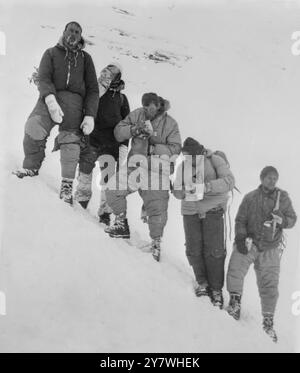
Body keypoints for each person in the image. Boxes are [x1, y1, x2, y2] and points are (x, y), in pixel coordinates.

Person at [13, 22, 99, 205]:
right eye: (70, 30)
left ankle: (67, 185)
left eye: (77, 32)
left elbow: (93, 89)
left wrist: (90, 114)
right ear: (64, 32)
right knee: (34, 126)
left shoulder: (86, 58)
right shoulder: (51, 53)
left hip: (76, 104)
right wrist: (50, 100)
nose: (73, 34)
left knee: (71, 141)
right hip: (51, 97)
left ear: (80, 36)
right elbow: (44, 78)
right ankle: (31, 167)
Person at [105, 92, 182, 262]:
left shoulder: (170, 123)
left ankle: (155, 243)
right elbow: (118, 132)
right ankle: (121, 224)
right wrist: (134, 129)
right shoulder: (137, 114)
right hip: (136, 165)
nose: (148, 111)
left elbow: (176, 148)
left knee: (157, 207)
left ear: (158, 106)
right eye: (146, 107)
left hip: (157, 169)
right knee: (112, 189)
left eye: (152, 108)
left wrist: (154, 148)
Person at [226, 166, 297, 342]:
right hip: (251, 242)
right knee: (235, 269)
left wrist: (282, 220)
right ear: (261, 178)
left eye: (275, 178)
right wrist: (241, 238)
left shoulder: (283, 198)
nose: (272, 181)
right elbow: (240, 220)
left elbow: (292, 219)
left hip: (271, 248)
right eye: (268, 177)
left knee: (269, 284)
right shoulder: (250, 198)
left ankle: (268, 322)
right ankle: (235, 303)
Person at [172, 137, 235, 308]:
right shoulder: (182, 166)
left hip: (213, 210)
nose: (190, 160)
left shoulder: (215, 160)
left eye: (193, 156)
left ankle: (216, 290)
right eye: (187, 156)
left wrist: (206, 187)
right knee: (193, 249)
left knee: (214, 251)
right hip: (190, 211)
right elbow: (176, 190)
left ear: (200, 152)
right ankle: (202, 283)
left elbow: (229, 181)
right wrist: (181, 192)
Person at [74, 62, 130, 225]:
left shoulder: (121, 99)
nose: (108, 74)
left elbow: (127, 124)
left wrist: (124, 146)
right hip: (91, 139)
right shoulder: (95, 91)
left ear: (118, 77)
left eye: (112, 72)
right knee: (85, 171)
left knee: (108, 181)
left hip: (111, 145)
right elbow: (83, 110)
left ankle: (105, 213)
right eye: (106, 71)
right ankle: (82, 200)